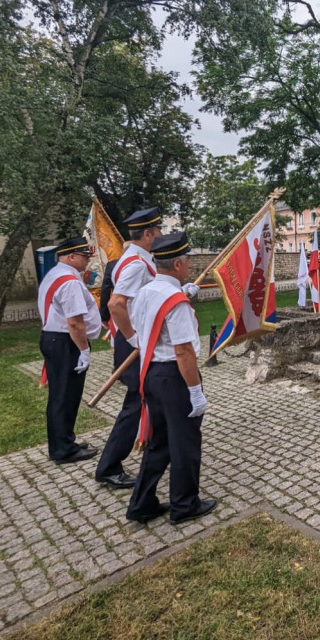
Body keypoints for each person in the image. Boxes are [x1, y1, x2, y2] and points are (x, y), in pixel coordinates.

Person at [126, 231, 216, 524]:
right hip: (174, 377)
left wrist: (183, 293)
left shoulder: (146, 292)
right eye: (187, 259)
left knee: (160, 442)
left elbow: (146, 330)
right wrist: (195, 392)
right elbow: (184, 352)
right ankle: (184, 504)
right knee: (185, 442)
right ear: (177, 265)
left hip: (151, 372)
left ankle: (141, 503)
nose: (189, 263)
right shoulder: (175, 302)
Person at [93, 207, 163, 490]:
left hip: (136, 338)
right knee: (135, 404)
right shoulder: (135, 263)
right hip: (134, 341)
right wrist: (133, 337)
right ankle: (109, 466)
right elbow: (116, 304)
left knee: (147, 399)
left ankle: (153, 445)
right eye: (157, 231)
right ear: (147, 234)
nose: (160, 235)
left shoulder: (137, 259)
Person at [37, 237, 103, 463]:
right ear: (71, 256)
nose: (87, 261)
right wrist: (84, 350)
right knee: (65, 397)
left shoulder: (54, 275)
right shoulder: (70, 282)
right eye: (84, 256)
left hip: (54, 338)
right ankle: (63, 449)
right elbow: (74, 322)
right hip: (66, 342)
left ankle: (63, 441)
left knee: (60, 396)